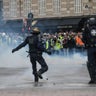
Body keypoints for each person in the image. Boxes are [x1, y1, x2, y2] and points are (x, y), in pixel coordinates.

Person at [82, 17, 96, 84]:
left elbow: (83, 38)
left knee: (91, 64)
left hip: (90, 48)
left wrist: (86, 43)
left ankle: (93, 79)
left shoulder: (86, 29)